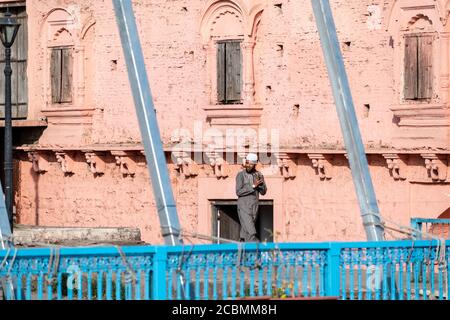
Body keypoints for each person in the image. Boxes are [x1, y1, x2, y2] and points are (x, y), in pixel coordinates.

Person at [235, 153, 267, 242]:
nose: (249, 166)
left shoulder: (258, 175)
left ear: (254, 164)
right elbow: (238, 191)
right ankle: (257, 248)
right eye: (248, 163)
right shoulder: (241, 175)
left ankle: (242, 247)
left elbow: (263, 192)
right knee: (251, 232)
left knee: (245, 232)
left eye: (251, 164)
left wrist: (260, 185)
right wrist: (253, 186)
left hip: (254, 206)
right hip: (244, 206)